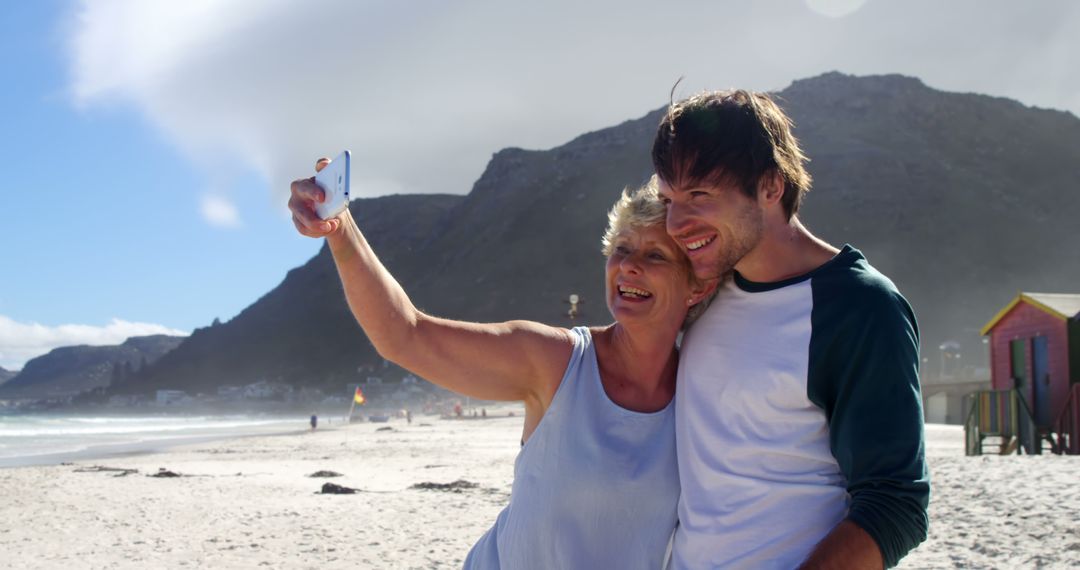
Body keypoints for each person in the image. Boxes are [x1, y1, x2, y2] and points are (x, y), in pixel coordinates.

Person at [289, 167, 713, 569]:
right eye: (621, 249)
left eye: (655, 255)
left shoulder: (705, 393)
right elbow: (405, 334)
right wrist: (342, 234)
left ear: (697, 287)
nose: (628, 266)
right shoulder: (557, 362)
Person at [652, 90, 930, 569]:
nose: (676, 222)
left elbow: (895, 504)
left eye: (698, 194)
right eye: (667, 198)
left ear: (770, 187)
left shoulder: (859, 307)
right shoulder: (703, 288)